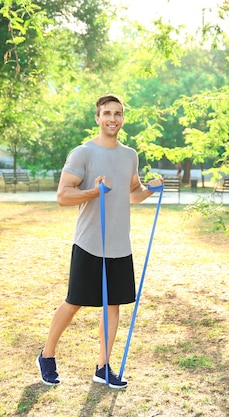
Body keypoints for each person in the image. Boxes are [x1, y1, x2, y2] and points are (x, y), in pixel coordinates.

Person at [36, 93, 163, 389]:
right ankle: (46, 355)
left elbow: (132, 193)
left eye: (118, 114)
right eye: (107, 113)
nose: (113, 119)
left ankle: (103, 367)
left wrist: (151, 190)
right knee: (74, 301)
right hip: (90, 242)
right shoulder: (83, 153)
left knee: (113, 306)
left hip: (120, 244)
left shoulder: (130, 155)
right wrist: (93, 192)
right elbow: (63, 196)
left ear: (123, 118)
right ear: (97, 117)